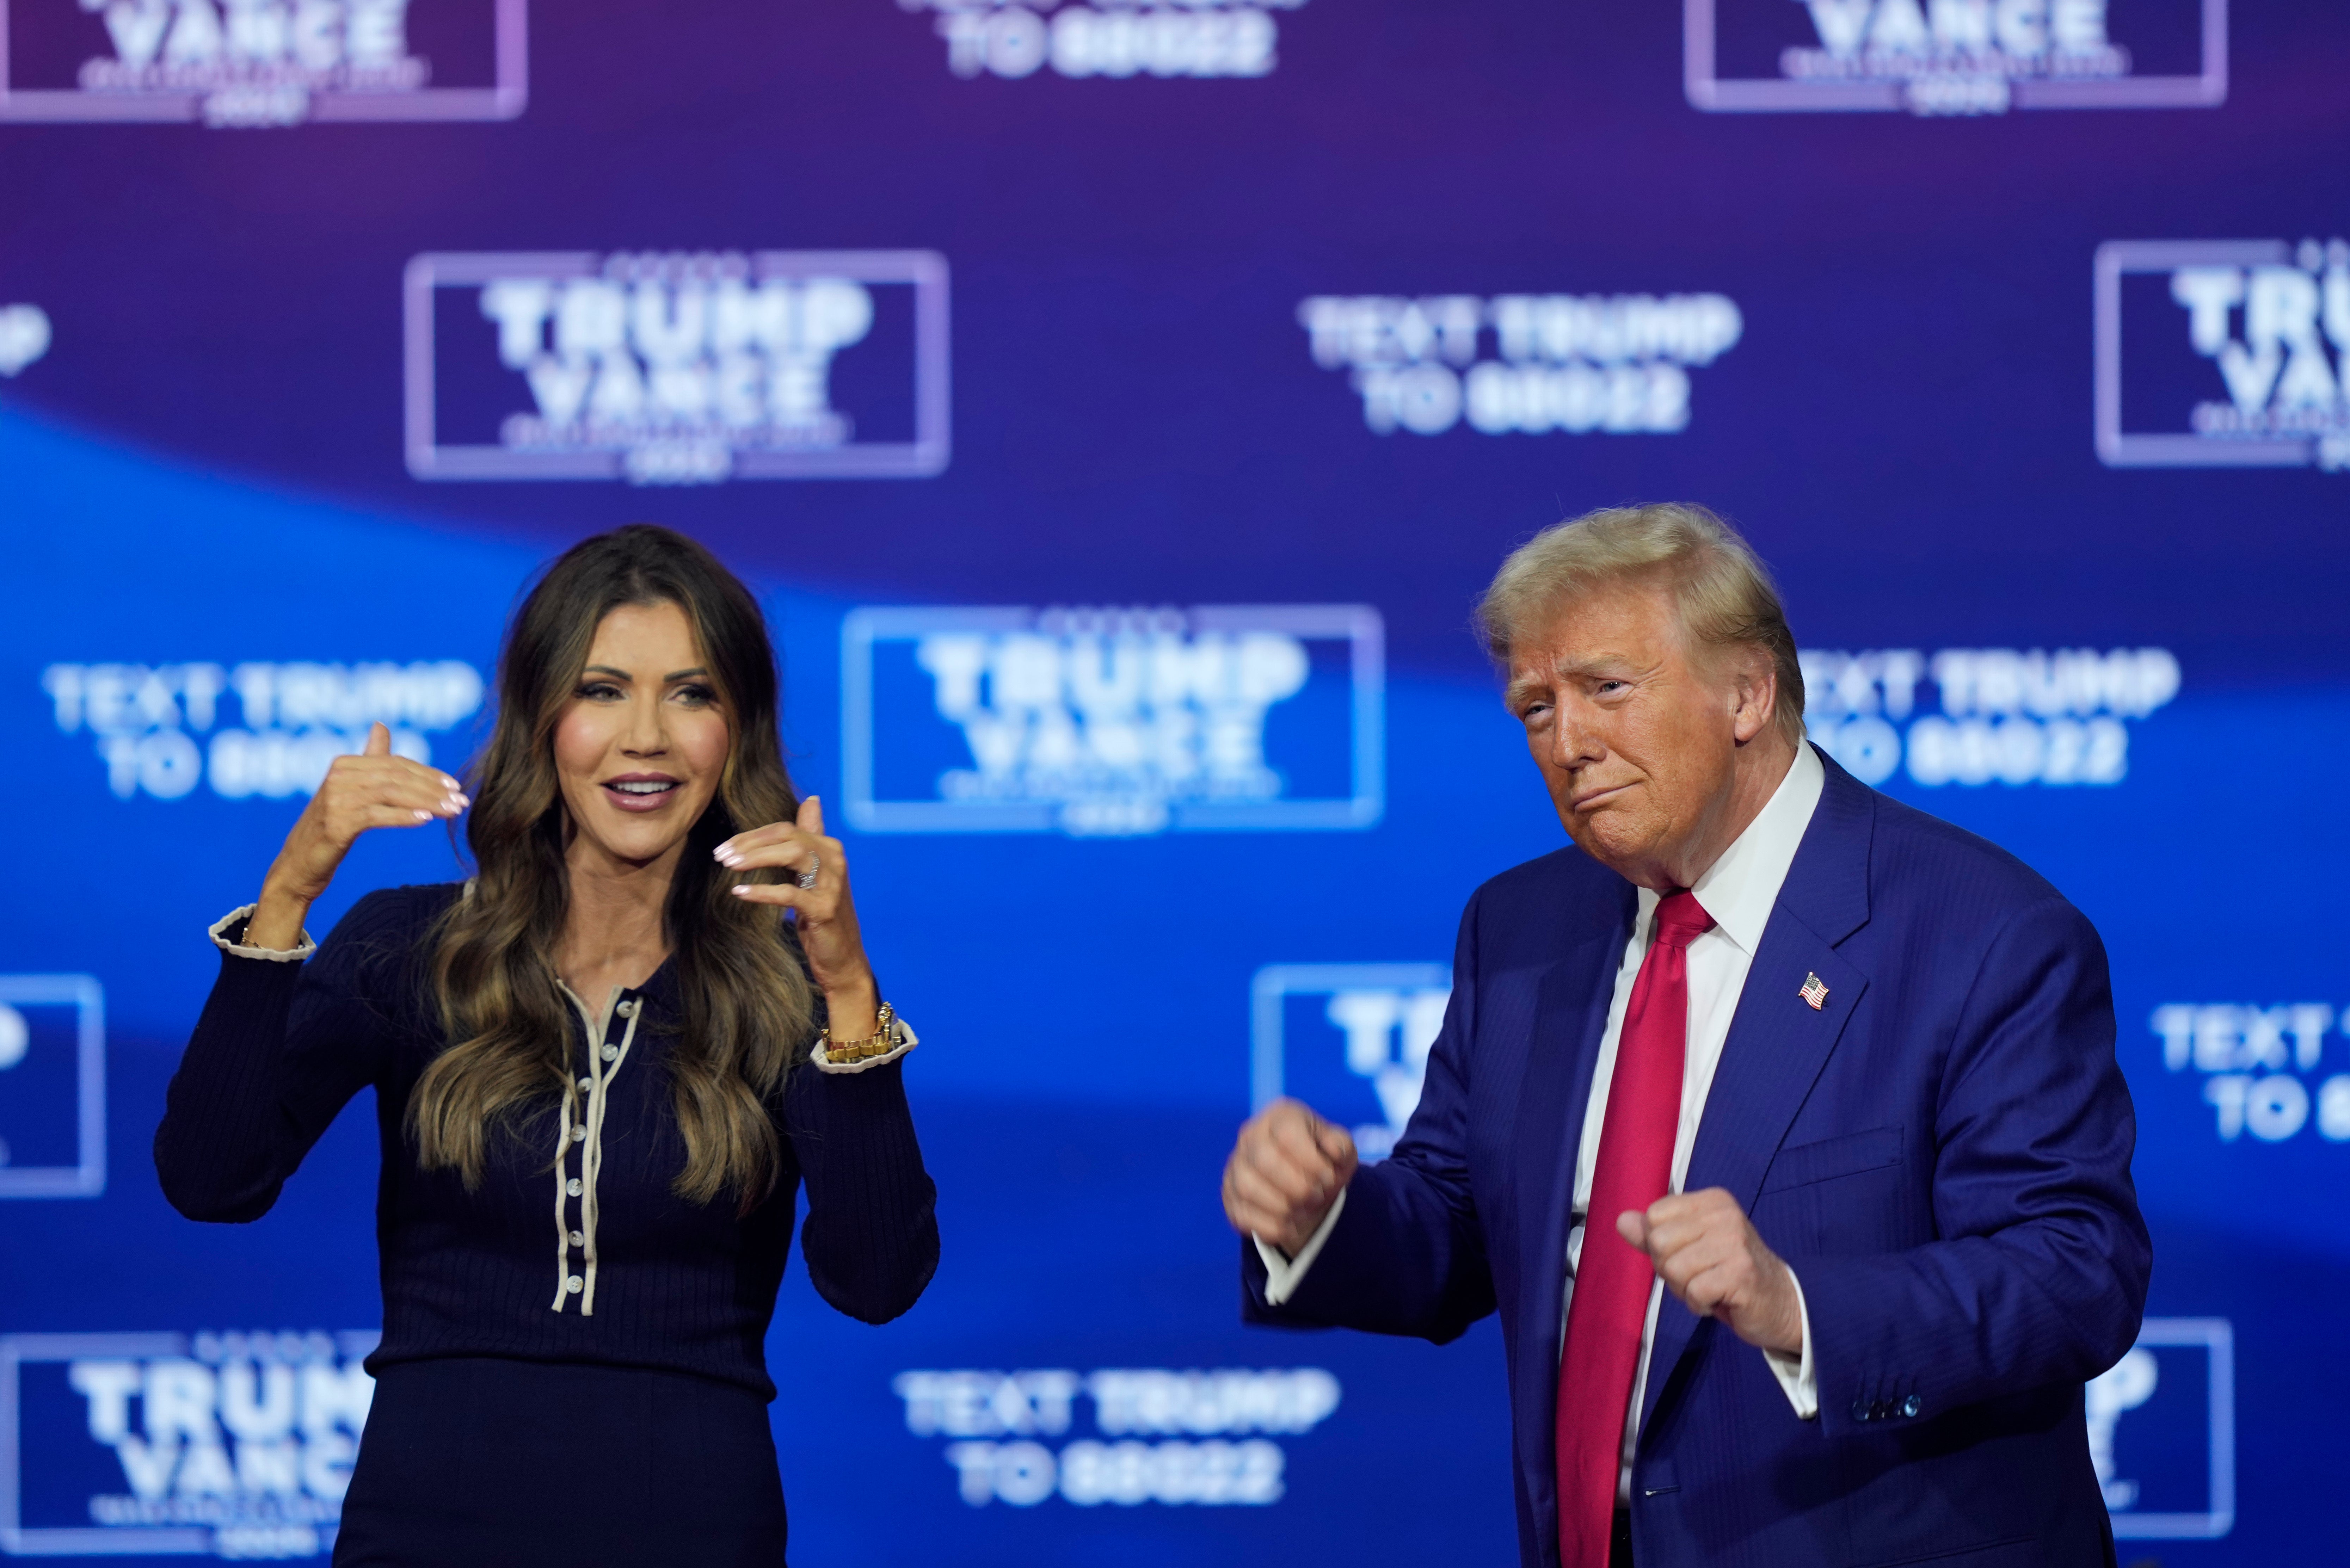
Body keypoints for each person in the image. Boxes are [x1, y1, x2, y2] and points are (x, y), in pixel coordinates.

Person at [1221, 504, 2149, 1568]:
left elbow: (2075, 1272)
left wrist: (1795, 1303)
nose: (1566, 743)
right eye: (1535, 707)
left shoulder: (1982, 934)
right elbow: (1459, 1222)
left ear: (1746, 692)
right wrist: (1319, 1218)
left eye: (1605, 688)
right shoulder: (1519, 929)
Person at [156, 525, 938, 1566]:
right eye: (604, 690)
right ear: (542, 719)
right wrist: (290, 892)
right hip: (425, 1528)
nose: (647, 738)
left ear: (737, 730)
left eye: (692, 694)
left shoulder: (785, 990)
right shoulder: (409, 948)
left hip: (697, 1528)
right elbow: (213, 1177)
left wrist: (845, 988)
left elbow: (877, 1280)